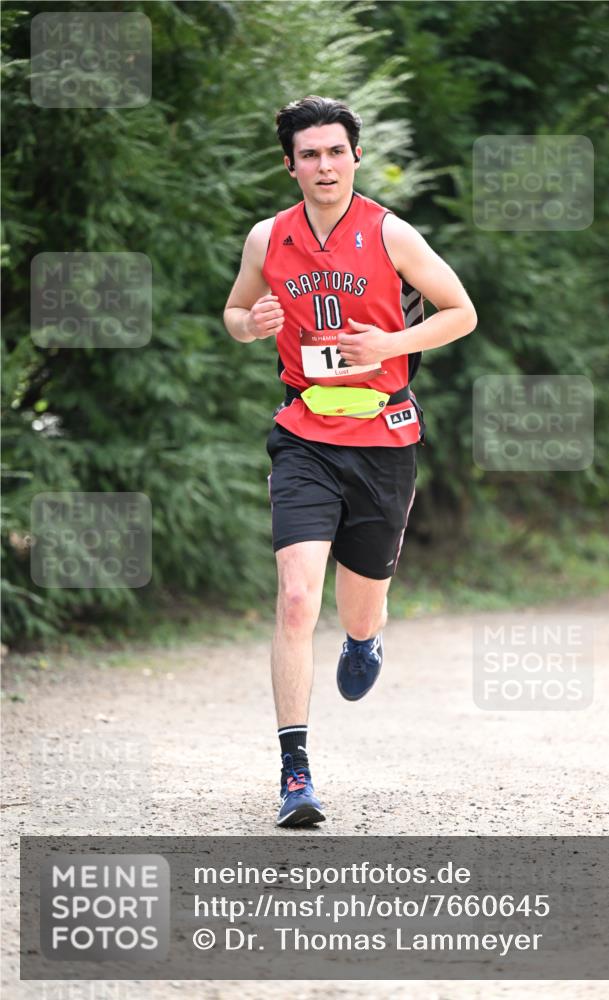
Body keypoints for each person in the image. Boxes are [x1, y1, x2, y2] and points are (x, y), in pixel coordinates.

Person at [223, 96, 476, 828]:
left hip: (384, 441)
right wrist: (252, 324)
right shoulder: (267, 239)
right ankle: (294, 774)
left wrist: (389, 346)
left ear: (354, 156)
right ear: (290, 164)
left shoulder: (391, 234)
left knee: (358, 605)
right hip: (303, 434)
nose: (324, 165)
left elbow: (459, 311)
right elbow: (236, 313)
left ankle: (365, 637)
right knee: (299, 597)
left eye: (336, 151)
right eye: (309, 154)